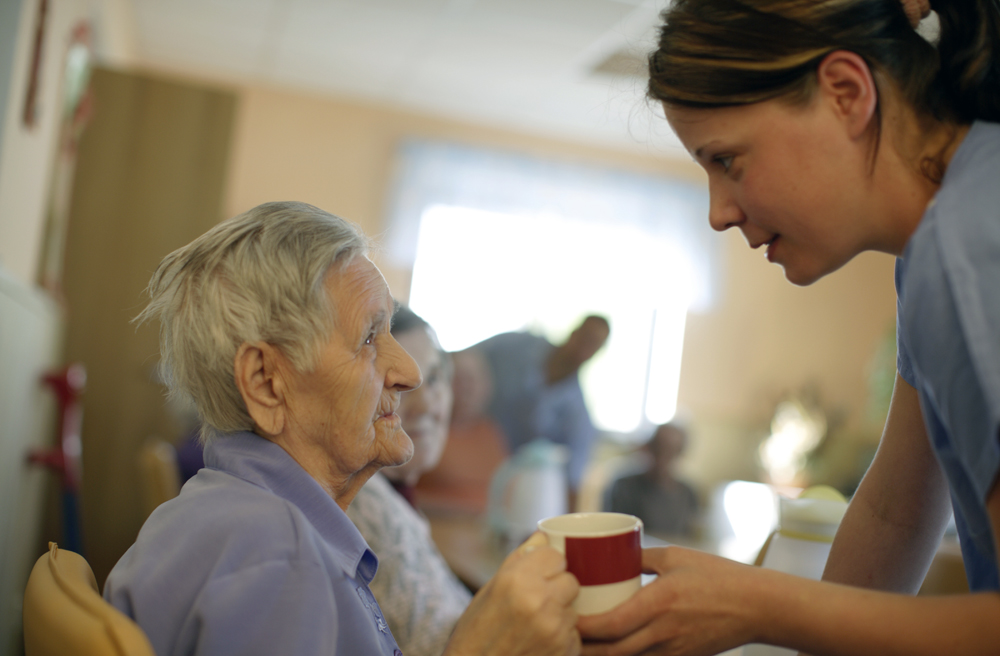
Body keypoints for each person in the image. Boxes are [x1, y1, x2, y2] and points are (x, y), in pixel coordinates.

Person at [577, 1, 1000, 654]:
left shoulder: (966, 249)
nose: (718, 213)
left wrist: (758, 605)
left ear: (845, 94)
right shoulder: (931, 256)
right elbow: (895, 510)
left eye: (728, 160)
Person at [103, 201, 581, 656]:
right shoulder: (279, 553)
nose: (410, 373)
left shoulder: (242, 514)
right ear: (266, 383)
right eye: (370, 338)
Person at [346, 305, 472, 656]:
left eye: (434, 379)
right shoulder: (368, 509)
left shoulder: (395, 499)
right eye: (398, 386)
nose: (427, 404)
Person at [451, 315, 610, 492]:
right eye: (585, 338)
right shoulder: (516, 346)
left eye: (593, 344)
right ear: (574, 333)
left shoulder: (578, 417)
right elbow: (461, 358)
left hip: (506, 485)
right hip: (462, 440)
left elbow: (572, 480)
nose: (583, 349)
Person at [603, 423, 699, 538]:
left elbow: (690, 536)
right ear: (647, 447)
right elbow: (612, 531)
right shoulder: (623, 487)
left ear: (680, 453)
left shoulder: (688, 494)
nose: (663, 457)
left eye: (671, 451)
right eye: (658, 448)